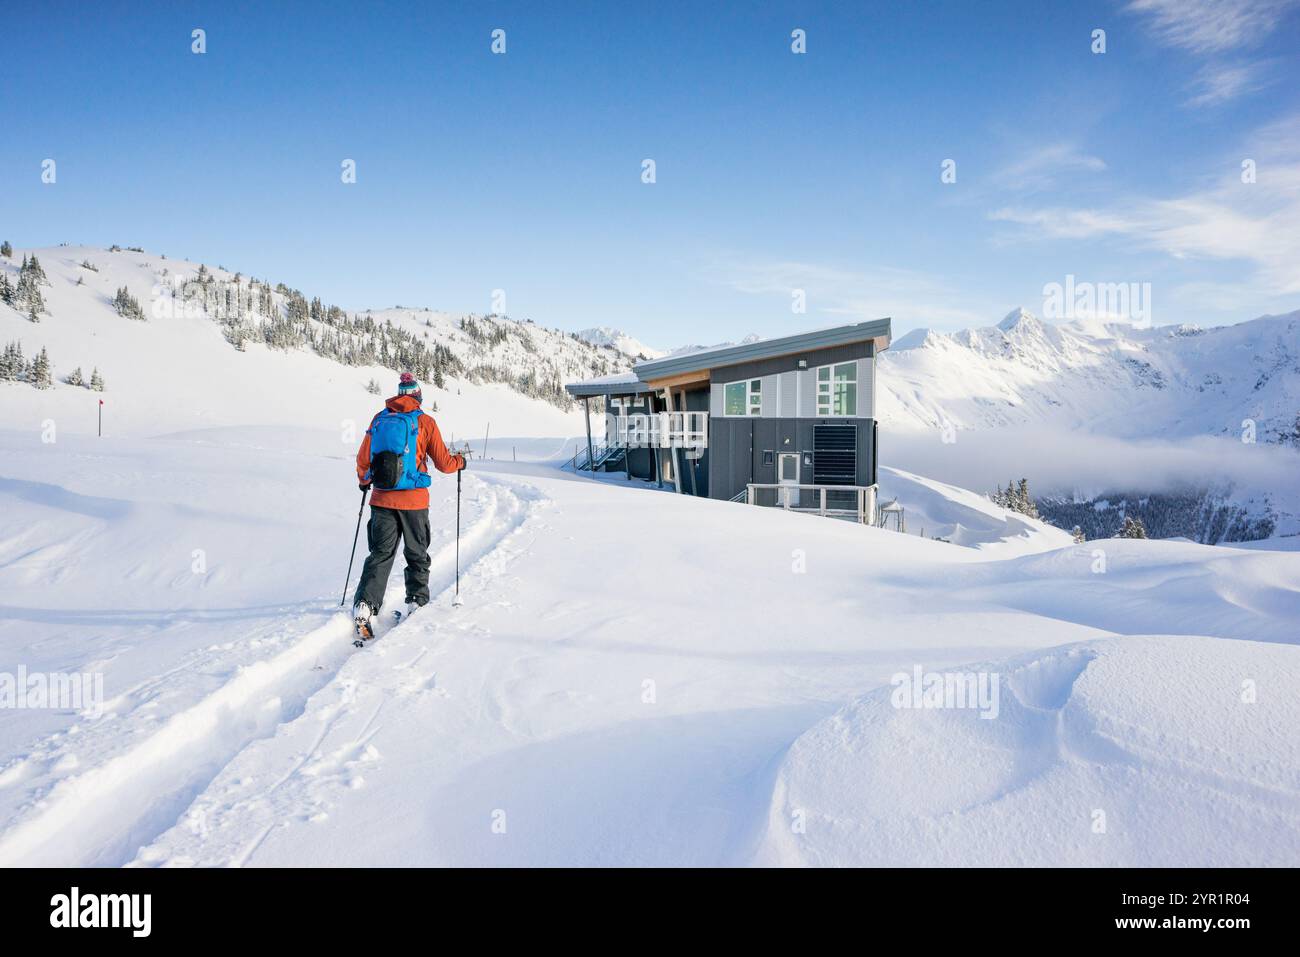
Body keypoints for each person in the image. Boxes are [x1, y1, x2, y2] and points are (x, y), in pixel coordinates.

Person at [352, 372, 465, 638]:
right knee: (416, 553)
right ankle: (416, 602)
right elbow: (444, 464)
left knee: (380, 554)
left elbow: (363, 458)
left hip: (381, 498)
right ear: (418, 396)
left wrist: (364, 480)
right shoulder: (425, 421)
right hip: (414, 502)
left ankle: (365, 606)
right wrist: (460, 462)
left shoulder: (379, 419)